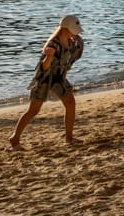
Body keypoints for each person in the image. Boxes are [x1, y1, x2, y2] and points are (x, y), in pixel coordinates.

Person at [7, 14, 85, 150]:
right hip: (44, 79)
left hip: (59, 78)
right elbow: (44, 67)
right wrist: (49, 56)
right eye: (74, 31)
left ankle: (69, 138)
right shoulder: (53, 44)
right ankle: (14, 139)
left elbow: (74, 58)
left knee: (70, 103)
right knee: (33, 110)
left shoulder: (71, 42)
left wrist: (80, 45)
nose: (75, 34)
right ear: (64, 29)